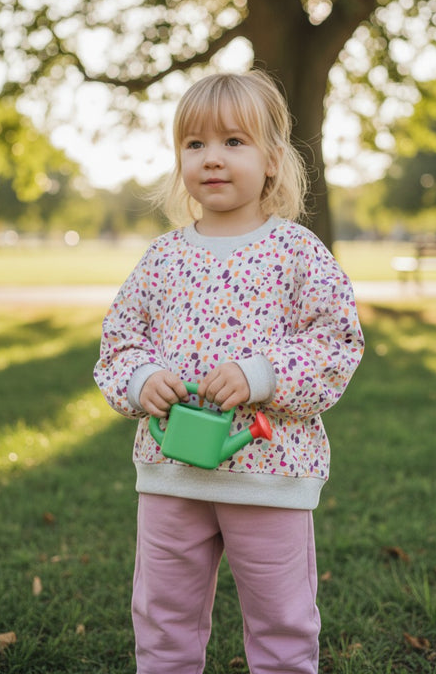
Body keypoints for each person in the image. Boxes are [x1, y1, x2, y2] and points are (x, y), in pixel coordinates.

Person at [93, 70, 364, 674]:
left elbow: (336, 343)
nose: (212, 158)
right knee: (163, 621)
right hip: (170, 475)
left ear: (272, 160)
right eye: (195, 144)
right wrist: (141, 379)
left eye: (233, 142)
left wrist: (263, 373)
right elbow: (119, 341)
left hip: (269, 474)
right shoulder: (162, 257)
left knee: (281, 622)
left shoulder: (298, 252)